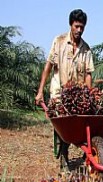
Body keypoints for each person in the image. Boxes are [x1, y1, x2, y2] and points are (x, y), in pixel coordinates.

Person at [35, 9, 95, 170]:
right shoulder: (59, 41)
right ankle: (64, 153)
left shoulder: (86, 49)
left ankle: (87, 149)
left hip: (77, 94)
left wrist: (89, 95)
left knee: (82, 121)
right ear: (71, 25)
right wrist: (40, 90)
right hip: (59, 91)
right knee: (64, 124)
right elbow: (48, 66)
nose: (79, 30)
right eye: (76, 26)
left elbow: (88, 74)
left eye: (82, 27)